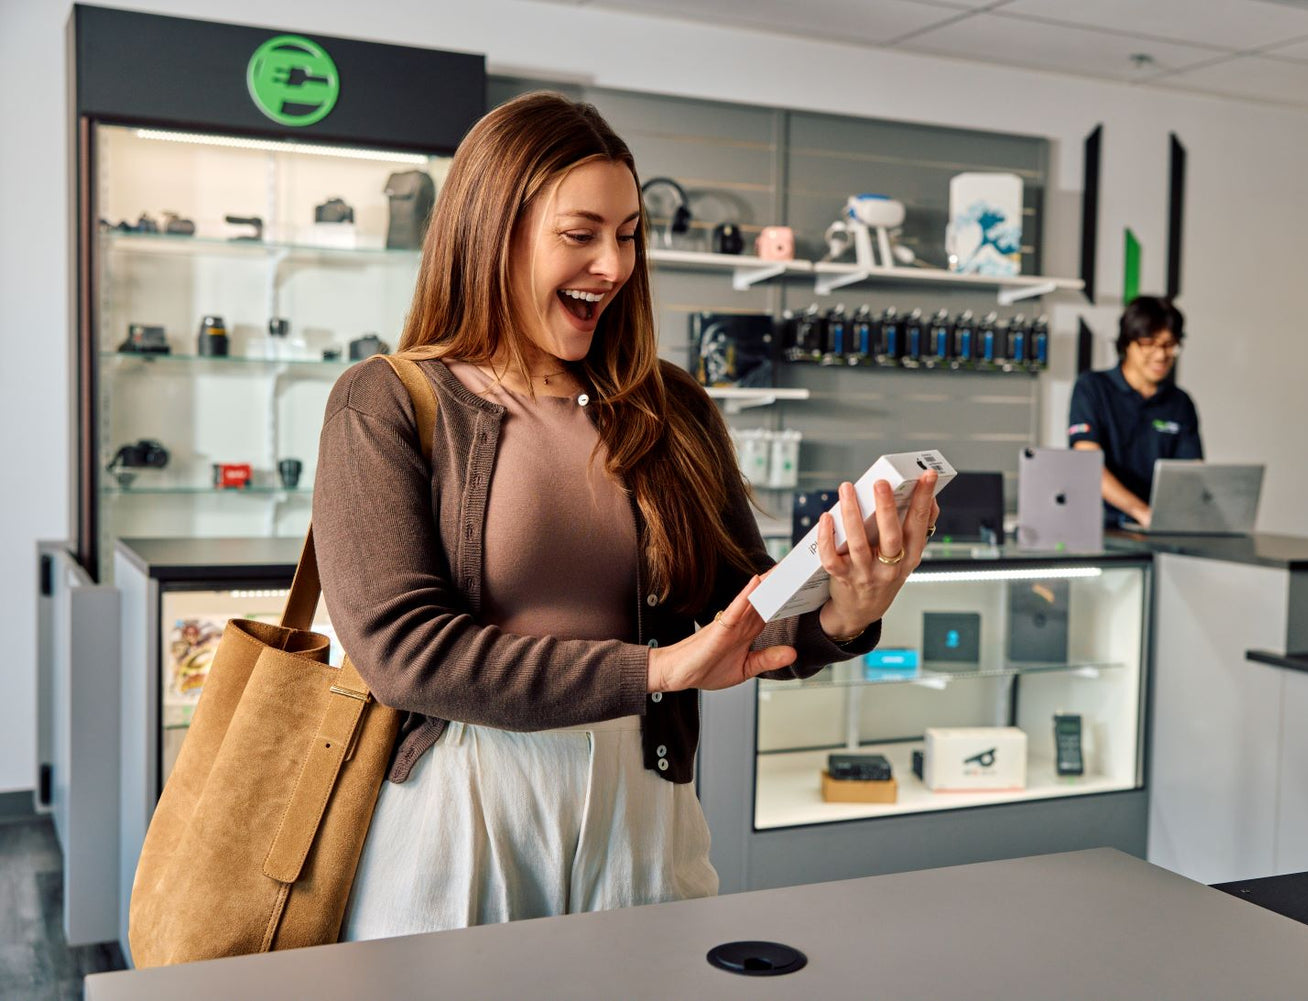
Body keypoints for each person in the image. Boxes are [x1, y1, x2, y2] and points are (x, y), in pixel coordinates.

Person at [311, 92, 941, 941]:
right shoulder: (386, 400)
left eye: (630, 233)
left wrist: (847, 610)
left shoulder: (672, 407)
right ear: (491, 229)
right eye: (581, 234)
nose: (615, 265)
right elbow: (402, 650)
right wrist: (657, 669)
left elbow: (735, 614)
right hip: (465, 804)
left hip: (648, 801)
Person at [1067, 296, 1202, 528]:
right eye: (1149, 343)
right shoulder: (1092, 388)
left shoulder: (1180, 402)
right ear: (1127, 343)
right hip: (1100, 527)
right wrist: (1141, 512)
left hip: (1160, 530)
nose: (1161, 355)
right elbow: (1086, 462)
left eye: (1170, 345)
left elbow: (1192, 473)